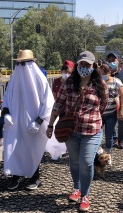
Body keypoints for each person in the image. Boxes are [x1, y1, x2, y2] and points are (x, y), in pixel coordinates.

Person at [46, 51, 108, 211]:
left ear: (93, 66)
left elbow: (103, 106)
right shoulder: (69, 83)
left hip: (92, 131)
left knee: (86, 163)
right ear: (78, 65)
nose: (84, 68)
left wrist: (92, 119)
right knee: (74, 161)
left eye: (87, 65)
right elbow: (58, 104)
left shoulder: (100, 85)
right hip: (71, 131)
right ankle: (76, 187)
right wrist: (50, 125)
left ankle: (85, 195)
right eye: (81, 64)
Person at [2, 49, 54, 190]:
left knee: (32, 150)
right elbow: (6, 99)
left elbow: (48, 103)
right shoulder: (14, 80)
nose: (21, 66)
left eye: (25, 63)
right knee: (15, 147)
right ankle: (16, 175)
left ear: (31, 63)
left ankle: (34, 177)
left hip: (33, 123)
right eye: (19, 63)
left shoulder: (39, 80)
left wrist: (38, 121)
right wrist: (6, 114)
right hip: (15, 123)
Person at [45, 60, 74, 160]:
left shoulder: (73, 83)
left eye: (68, 71)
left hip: (69, 111)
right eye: (64, 70)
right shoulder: (56, 81)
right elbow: (54, 97)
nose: (65, 73)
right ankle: (62, 148)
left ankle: (68, 149)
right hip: (59, 110)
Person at [98, 64, 123, 162]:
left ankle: (107, 155)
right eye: (99, 73)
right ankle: (97, 154)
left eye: (102, 72)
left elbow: (122, 95)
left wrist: (121, 109)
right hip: (98, 113)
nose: (100, 74)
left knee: (109, 135)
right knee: (96, 134)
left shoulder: (116, 82)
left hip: (111, 114)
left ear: (108, 72)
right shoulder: (98, 83)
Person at [107, 53, 123, 149]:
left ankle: (120, 140)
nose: (112, 62)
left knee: (121, 121)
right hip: (109, 104)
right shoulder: (106, 75)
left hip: (120, 101)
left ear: (118, 61)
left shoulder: (121, 73)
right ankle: (114, 138)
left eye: (114, 60)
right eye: (110, 61)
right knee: (110, 121)